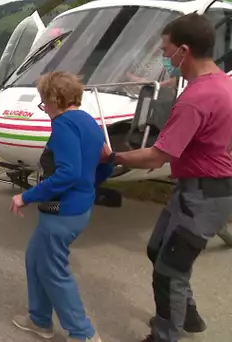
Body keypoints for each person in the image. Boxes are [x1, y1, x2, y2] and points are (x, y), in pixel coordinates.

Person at [103, 13, 232, 342]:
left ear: (183, 51)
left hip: (202, 196)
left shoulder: (195, 99)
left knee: (169, 271)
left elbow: (156, 156)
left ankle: (165, 335)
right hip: (197, 190)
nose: (163, 56)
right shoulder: (224, 84)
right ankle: (185, 315)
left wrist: (111, 157)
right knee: (157, 248)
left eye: (165, 49)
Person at [9, 71, 113, 342]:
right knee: (35, 258)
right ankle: (39, 320)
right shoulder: (88, 121)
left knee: (54, 270)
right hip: (77, 207)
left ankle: (83, 333)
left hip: (62, 212)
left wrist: (27, 196)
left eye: (43, 102)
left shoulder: (64, 124)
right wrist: (89, 188)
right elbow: (107, 160)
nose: (44, 109)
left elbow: (68, 173)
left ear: (54, 99)